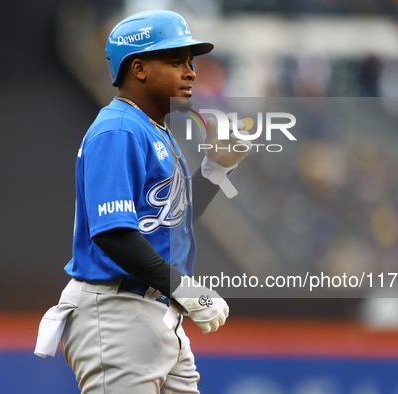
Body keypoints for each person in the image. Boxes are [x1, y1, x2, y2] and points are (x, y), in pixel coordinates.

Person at [35, 10, 250, 393]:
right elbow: (114, 235)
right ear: (138, 68)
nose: (191, 72)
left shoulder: (153, 130)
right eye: (175, 61)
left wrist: (215, 170)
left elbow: (169, 220)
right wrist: (185, 288)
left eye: (190, 62)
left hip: (155, 314)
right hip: (117, 313)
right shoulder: (118, 129)